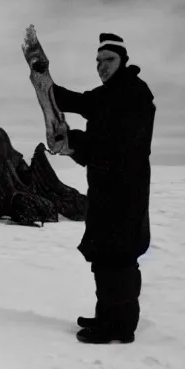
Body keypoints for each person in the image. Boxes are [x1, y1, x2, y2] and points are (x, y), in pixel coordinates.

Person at [52, 32, 156, 344]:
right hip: (105, 191)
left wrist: (73, 140)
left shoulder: (134, 95)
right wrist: (45, 86)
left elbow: (115, 146)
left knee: (119, 259)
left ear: (123, 60)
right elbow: (80, 101)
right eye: (97, 61)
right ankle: (106, 315)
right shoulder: (108, 94)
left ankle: (120, 328)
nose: (101, 66)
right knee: (105, 256)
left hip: (125, 194)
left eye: (108, 60)